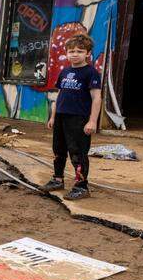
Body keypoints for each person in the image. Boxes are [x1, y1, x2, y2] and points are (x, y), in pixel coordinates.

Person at [41, 35, 102, 200]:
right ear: (67, 53)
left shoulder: (91, 73)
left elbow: (97, 98)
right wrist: (53, 117)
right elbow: (59, 94)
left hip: (79, 119)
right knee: (58, 150)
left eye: (80, 51)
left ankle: (81, 186)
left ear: (88, 54)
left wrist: (92, 121)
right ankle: (57, 179)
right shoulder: (65, 71)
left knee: (78, 153)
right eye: (71, 51)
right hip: (61, 117)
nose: (75, 54)